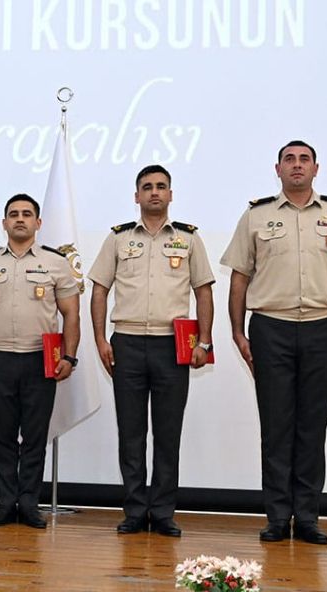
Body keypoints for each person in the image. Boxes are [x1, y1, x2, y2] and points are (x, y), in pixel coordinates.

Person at [221, 140, 327, 545]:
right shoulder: (256, 216)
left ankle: (306, 517)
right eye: (290, 159)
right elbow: (239, 278)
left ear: (316, 169)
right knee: (276, 426)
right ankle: (276, 517)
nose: (297, 165)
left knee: (312, 428)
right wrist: (238, 332)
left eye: (304, 160)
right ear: (278, 169)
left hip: (323, 328)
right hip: (271, 329)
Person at [89, 164, 215, 537]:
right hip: (127, 342)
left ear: (170, 194)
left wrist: (204, 341)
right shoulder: (118, 238)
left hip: (172, 346)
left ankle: (162, 512)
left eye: (161, 186)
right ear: (137, 196)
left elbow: (203, 291)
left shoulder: (189, 238)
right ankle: (134, 510)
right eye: (147, 187)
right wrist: (100, 339)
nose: (154, 192)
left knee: (167, 433)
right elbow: (99, 289)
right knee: (131, 433)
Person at [0, 193, 80, 529]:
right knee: (2, 437)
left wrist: (69, 356)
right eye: (13, 214)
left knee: (34, 437)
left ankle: (29, 503)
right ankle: (5, 503)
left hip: (39, 360)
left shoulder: (56, 262)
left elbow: (71, 314)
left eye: (27, 214)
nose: (20, 219)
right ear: (4, 223)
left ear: (38, 223)